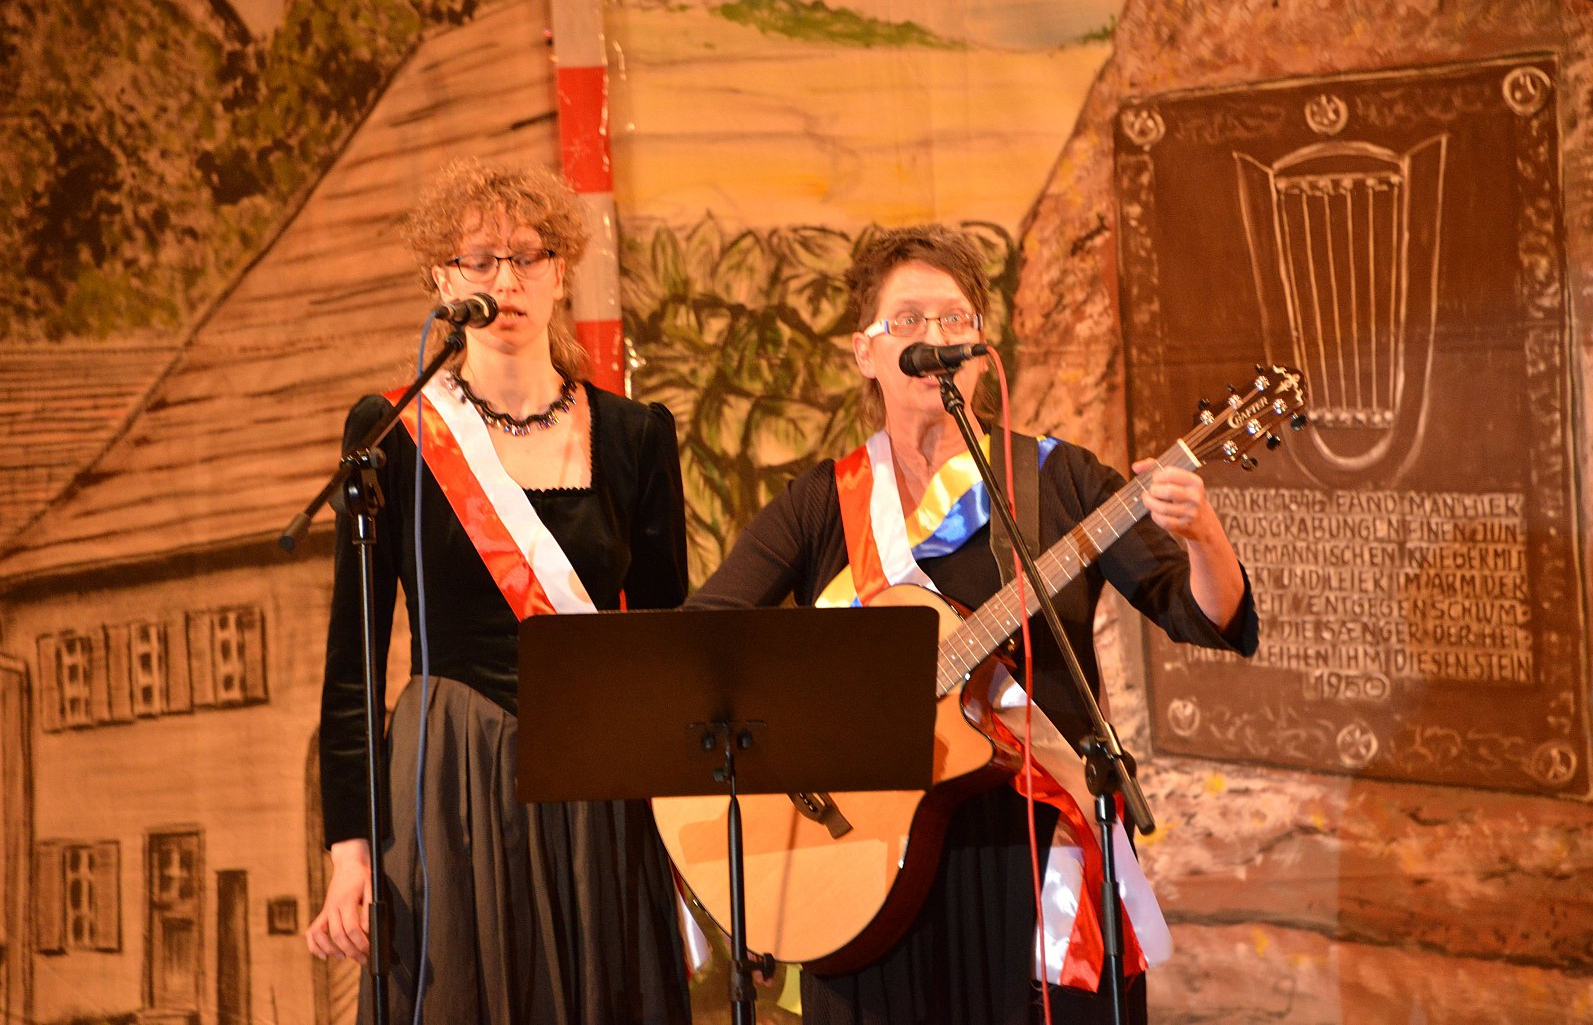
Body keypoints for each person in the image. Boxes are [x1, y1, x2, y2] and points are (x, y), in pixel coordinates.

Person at [684, 224, 1258, 1024]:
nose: (936, 338)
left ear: (983, 350)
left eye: (955, 319)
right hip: (865, 863)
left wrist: (1203, 535)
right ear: (865, 352)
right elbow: (702, 646)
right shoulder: (822, 504)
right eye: (909, 320)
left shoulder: (1059, 480)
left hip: (1032, 847)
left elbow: (1202, 616)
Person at [305, 158, 693, 1025]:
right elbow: (352, 666)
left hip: (598, 780)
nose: (505, 281)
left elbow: (667, 647)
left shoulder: (636, 434)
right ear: (443, 279)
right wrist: (351, 853)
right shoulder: (393, 433)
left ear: (562, 270)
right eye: (479, 259)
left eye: (528, 256)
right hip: (450, 780)